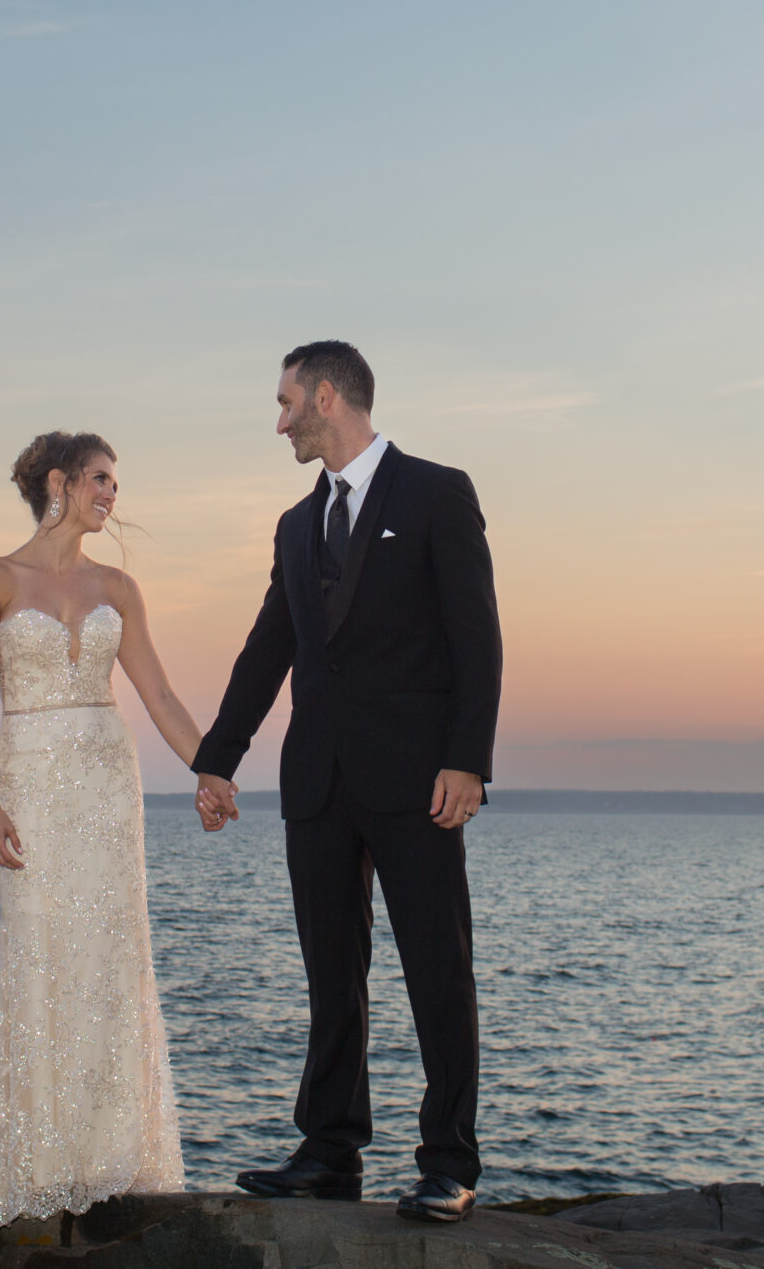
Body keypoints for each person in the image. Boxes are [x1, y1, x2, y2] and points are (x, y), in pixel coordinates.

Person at [191, 341, 502, 1224]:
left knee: (438, 970)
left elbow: (476, 634)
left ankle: (449, 1162)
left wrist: (468, 758)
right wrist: (219, 755)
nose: (280, 419)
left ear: (328, 395)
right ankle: (330, 1151)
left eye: (287, 401)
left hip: (420, 782)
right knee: (333, 974)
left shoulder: (438, 491)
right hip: (317, 784)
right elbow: (268, 648)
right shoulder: (296, 524)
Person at [0, 430, 203, 1225]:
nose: (111, 493)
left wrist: (214, 767)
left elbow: (161, 698)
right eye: (100, 479)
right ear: (59, 482)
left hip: (106, 786)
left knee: (109, 954)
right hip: (29, 782)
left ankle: (114, 1157)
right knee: (41, 952)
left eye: (115, 483)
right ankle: (42, 1163)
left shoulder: (119, 588)